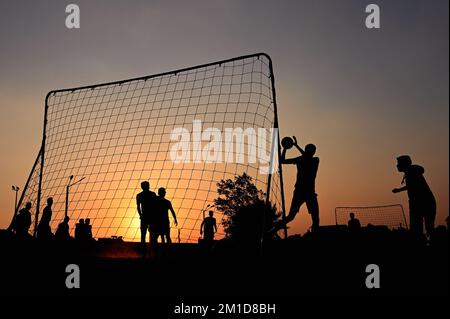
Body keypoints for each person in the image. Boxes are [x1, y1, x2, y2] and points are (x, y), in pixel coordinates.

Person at [276, 136, 320, 232]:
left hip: (307, 192)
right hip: (302, 192)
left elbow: (306, 157)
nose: (314, 152)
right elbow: (282, 161)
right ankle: (274, 228)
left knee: (315, 217)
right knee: (291, 217)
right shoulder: (303, 159)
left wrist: (293, 146)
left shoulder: (315, 160)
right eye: (313, 150)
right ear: (311, 151)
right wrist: (284, 149)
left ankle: (315, 233)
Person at [392, 155, 436, 237]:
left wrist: (398, 190)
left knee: (420, 229)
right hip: (421, 202)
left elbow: (412, 185)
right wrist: (399, 190)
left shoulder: (411, 172)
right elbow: (411, 186)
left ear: (404, 163)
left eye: (398, 163)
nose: (397, 165)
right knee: (424, 228)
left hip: (422, 202)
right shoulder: (411, 172)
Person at [136, 181, 157, 248]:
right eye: (147, 185)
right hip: (145, 217)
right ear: (142, 187)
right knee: (144, 234)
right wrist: (140, 215)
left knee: (152, 235)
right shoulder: (139, 195)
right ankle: (144, 251)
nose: (148, 186)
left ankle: (151, 250)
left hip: (151, 217)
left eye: (148, 185)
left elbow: (156, 205)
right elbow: (138, 207)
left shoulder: (152, 194)